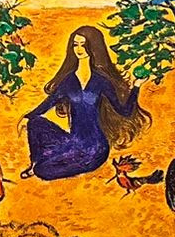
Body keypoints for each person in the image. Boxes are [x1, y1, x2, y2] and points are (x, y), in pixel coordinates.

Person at [19, 25, 150, 181]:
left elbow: (125, 111)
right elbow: (49, 103)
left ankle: (40, 167)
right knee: (35, 122)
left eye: (84, 45)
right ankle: (35, 164)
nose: (79, 49)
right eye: (76, 44)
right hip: (73, 142)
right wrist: (27, 117)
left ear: (93, 47)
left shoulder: (101, 81)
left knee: (43, 171)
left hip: (94, 150)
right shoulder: (69, 80)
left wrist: (136, 87)